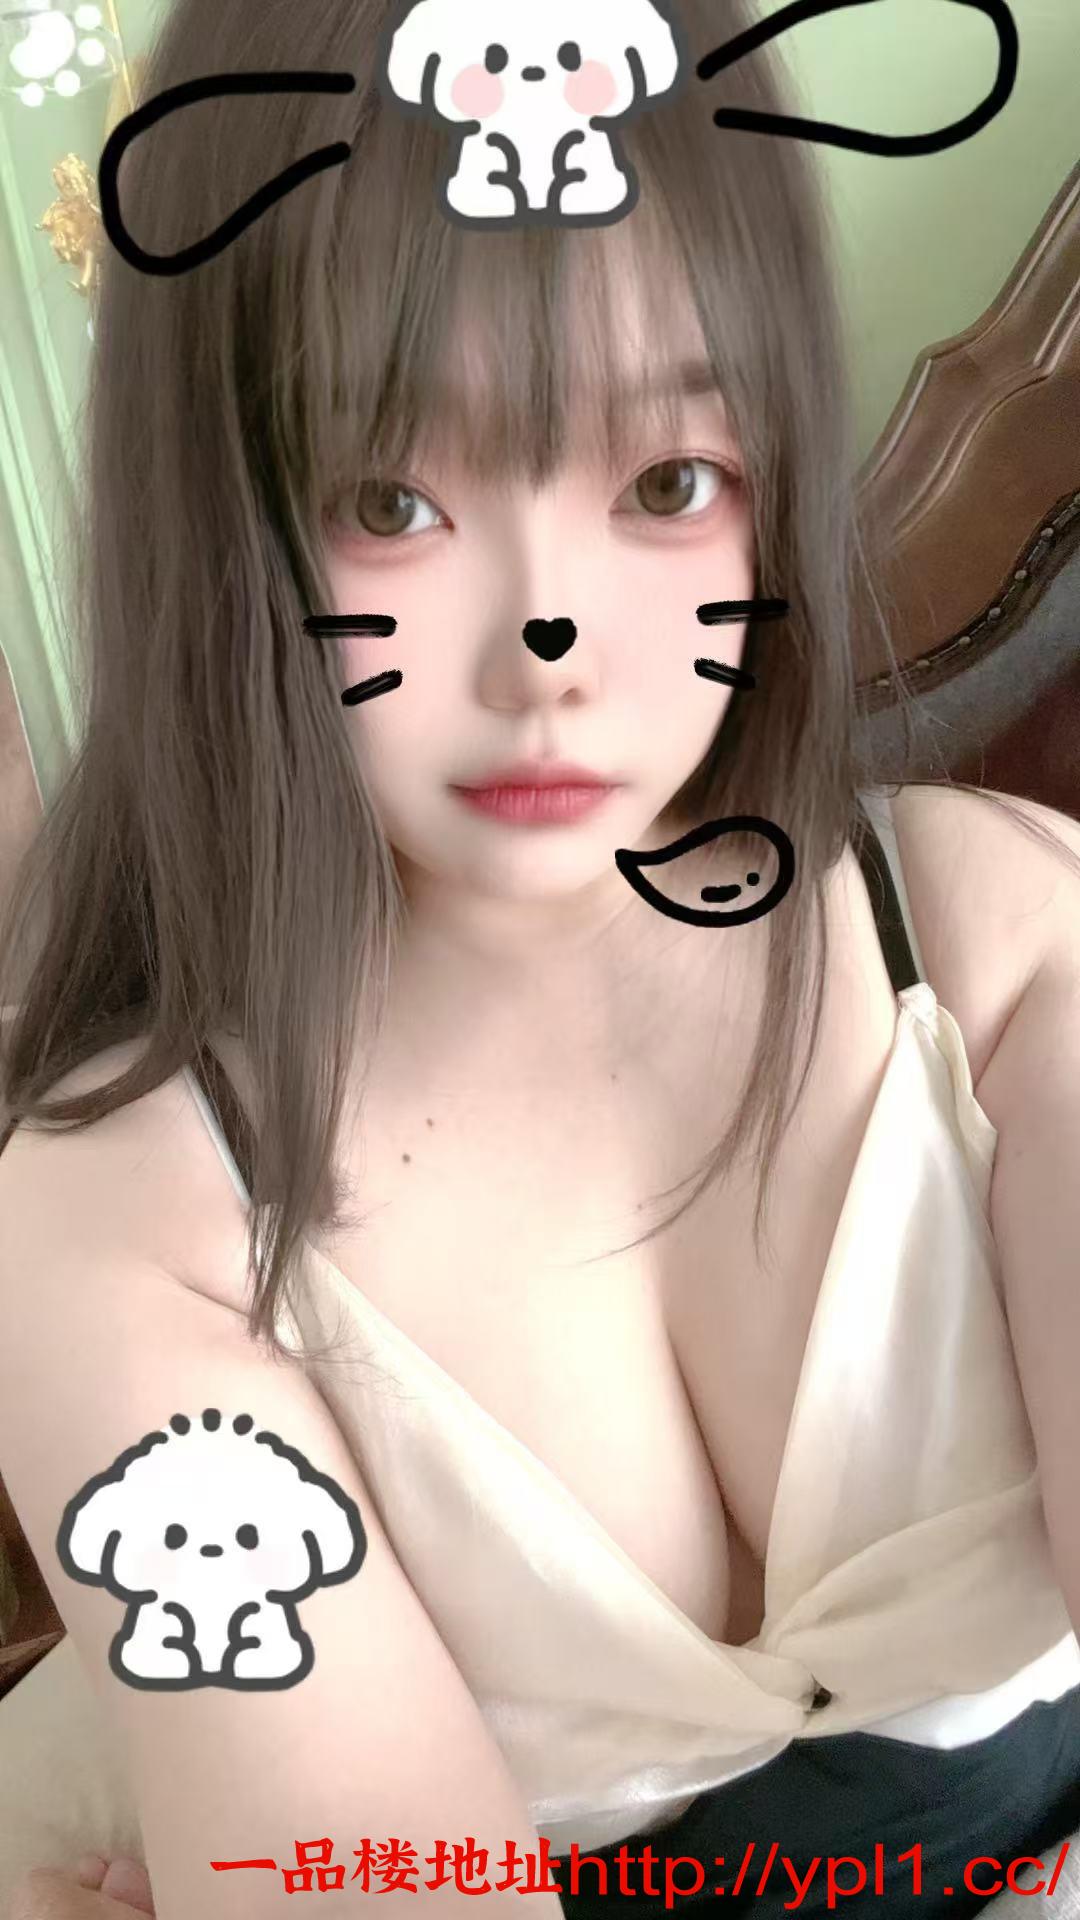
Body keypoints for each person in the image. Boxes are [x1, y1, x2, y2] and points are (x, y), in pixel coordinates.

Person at [2, 0, 1080, 1916]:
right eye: (393, 501)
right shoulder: (116, 1216)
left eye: (667, 484)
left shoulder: (1005, 948)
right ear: (227, 523)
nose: (549, 649)